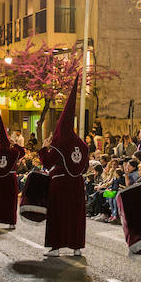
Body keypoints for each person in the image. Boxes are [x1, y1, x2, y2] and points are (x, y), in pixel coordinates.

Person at [39, 74, 89, 257]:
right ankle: (76, 247)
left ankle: (56, 247)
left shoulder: (59, 141)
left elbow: (47, 163)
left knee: (58, 215)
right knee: (75, 215)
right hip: (77, 184)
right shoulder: (82, 145)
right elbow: (85, 167)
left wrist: (44, 148)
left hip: (60, 185)